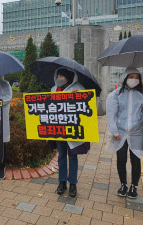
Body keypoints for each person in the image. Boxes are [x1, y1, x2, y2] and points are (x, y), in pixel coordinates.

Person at [106, 67, 143, 199]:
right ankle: (123, 184)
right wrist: (113, 131)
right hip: (121, 132)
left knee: (136, 160)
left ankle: (134, 186)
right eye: (131, 76)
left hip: (137, 133)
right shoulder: (116, 94)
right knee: (121, 159)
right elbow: (111, 114)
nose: (133, 80)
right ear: (125, 77)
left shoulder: (142, 95)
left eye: (136, 77)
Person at [51, 67, 86, 198]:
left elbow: (86, 105)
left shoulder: (78, 88)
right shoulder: (53, 89)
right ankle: (61, 182)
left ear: (69, 77)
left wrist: (78, 97)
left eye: (62, 76)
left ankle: (72, 183)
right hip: (59, 129)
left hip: (72, 129)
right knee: (61, 156)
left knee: (72, 157)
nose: (60, 78)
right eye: (58, 75)